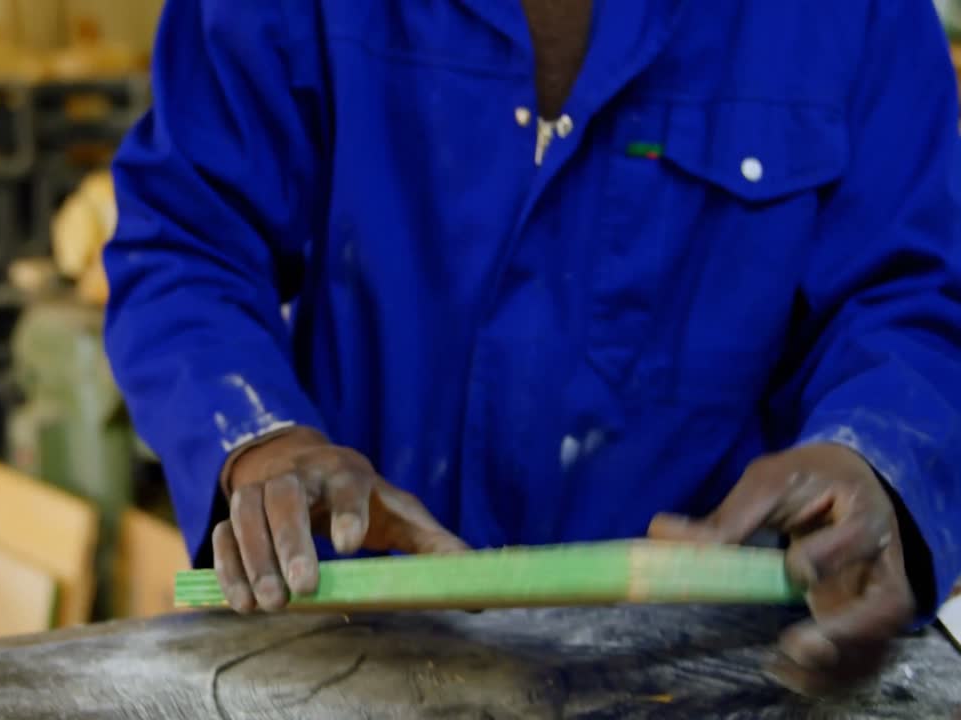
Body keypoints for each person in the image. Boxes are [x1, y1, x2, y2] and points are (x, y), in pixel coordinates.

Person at [104, 0, 961, 695]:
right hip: (356, 660)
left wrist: (877, 461)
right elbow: (188, 244)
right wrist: (262, 440)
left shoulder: (860, 18)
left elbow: (913, 299)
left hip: (723, 669)